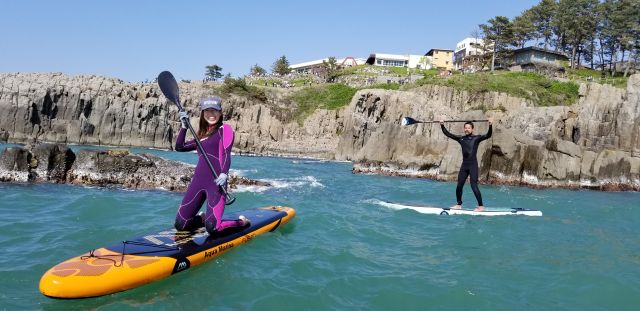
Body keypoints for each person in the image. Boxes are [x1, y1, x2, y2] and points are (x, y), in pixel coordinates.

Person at [174, 96, 249, 235]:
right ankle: (202, 218)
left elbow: (226, 153)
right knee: (180, 224)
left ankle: (241, 222)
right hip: (197, 182)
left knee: (213, 228)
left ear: (220, 113)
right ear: (203, 113)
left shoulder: (225, 129)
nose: (211, 114)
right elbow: (179, 147)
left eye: (214, 111)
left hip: (216, 183)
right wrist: (184, 127)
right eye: (207, 111)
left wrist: (224, 173)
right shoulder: (201, 135)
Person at [440, 117, 493, 211]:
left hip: (473, 165)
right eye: (465, 128)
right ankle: (459, 204)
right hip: (464, 166)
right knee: (459, 185)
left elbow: (488, 135)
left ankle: (481, 206)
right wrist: (442, 125)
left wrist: (490, 124)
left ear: (472, 129)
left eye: (468, 128)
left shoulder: (476, 138)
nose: (466, 129)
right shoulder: (461, 139)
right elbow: (448, 134)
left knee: (473, 185)